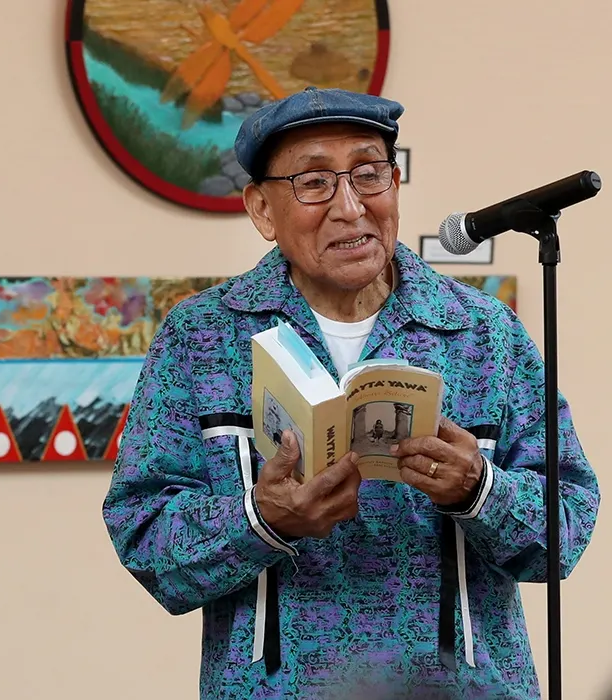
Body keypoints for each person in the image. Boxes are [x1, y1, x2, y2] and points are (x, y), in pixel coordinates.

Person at [101, 87, 600, 699]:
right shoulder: (202, 336)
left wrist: (480, 490)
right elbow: (145, 539)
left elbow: (565, 531)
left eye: (368, 174)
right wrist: (261, 519)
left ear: (395, 184)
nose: (350, 206)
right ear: (261, 209)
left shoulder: (483, 332)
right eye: (313, 182)